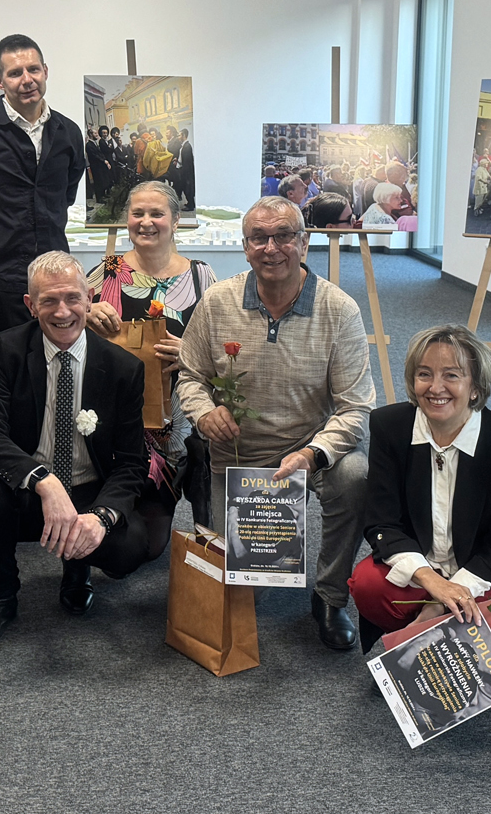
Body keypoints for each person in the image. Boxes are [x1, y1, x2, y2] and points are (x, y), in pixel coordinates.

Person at [177, 195, 376, 650]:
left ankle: (329, 595)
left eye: (284, 235)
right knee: (246, 593)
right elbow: (190, 376)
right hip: (238, 457)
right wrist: (204, 412)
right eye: (259, 238)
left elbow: (355, 408)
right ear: (245, 247)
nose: (272, 248)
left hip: (309, 451)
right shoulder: (217, 302)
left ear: (303, 243)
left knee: (356, 474)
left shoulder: (339, 310)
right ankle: (248, 560)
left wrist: (312, 454)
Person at [0, 252, 163, 649]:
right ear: (30, 304)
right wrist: (44, 481)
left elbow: (131, 462)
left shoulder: (123, 367)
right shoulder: (7, 348)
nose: (62, 311)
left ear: (90, 299)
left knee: (129, 550)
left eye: (72, 298)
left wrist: (101, 517)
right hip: (30, 486)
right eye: (49, 300)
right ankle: (2, 595)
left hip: (89, 487)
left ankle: (77, 568)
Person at [349, 326, 491, 674]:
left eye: (451, 375)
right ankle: (423, 646)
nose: (435, 388)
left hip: (487, 570)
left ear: (475, 387)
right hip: (423, 567)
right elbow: (382, 521)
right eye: (424, 374)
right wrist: (433, 583)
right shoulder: (389, 426)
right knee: (368, 585)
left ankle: (425, 638)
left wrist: (445, 600)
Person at [84, 181, 220, 529]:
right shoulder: (107, 271)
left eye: (156, 214)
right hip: (122, 423)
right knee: (132, 546)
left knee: (154, 535)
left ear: (175, 221)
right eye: (138, 213)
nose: (146, 222)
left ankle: (187, 477)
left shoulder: (200, 275)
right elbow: (64, 326)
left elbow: (223, 347)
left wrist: (191, 354)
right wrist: (86, 314)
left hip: (182, 420)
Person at [0, 34, 86, 347]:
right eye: (15, 73)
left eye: (33, 69)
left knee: (57, 359)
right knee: (7, 364)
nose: (27, 80)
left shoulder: (68, 132)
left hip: (55, 276)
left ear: (45, 71)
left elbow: (65, 196)